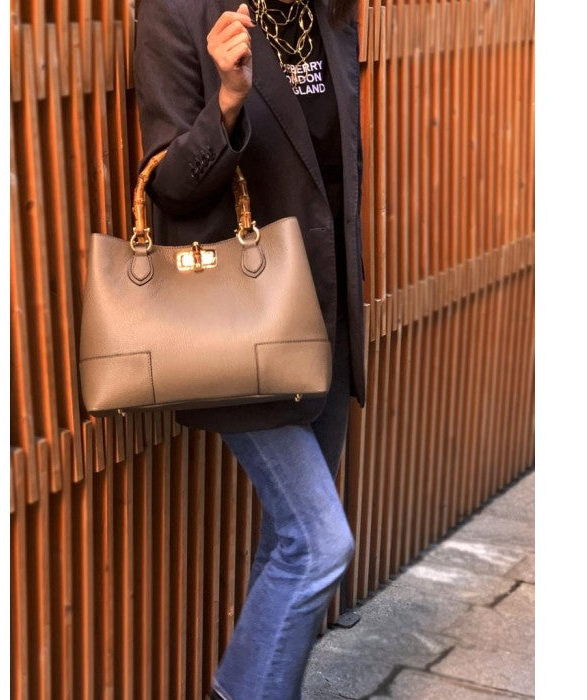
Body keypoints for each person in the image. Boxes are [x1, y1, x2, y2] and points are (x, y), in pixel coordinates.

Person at [134, 0, 364, 696]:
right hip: (242, 323)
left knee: (287, 543)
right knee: (320, 543)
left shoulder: (325, 11)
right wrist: (228, 98)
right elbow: (169, 186)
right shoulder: (176, 11)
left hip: (323, 314)